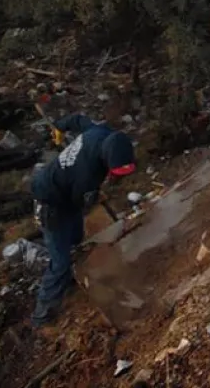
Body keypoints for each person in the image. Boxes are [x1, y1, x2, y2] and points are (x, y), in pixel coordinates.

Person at [29, 113, 136, 327]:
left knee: (77, 240)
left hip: (63, 189)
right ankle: (42, 314)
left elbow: (77, 119)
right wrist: (96, 195)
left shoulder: (100, 132)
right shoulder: (86, 175)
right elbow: (82, 202)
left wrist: (59, 126)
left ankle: (75, 278)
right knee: (60, 261)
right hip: (50, 200)